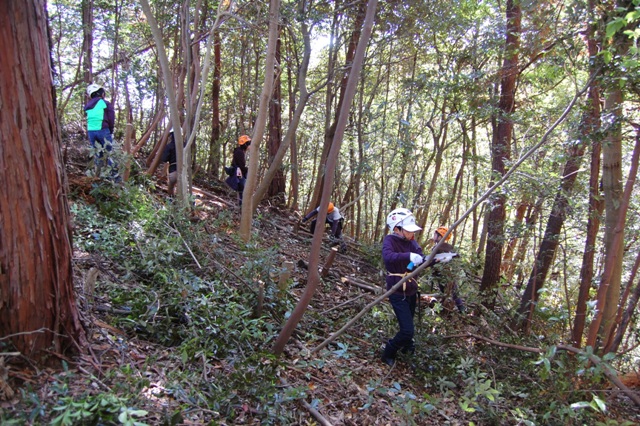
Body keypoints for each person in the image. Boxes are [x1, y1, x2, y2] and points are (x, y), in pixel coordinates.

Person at [381, 208, 424, 367]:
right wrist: (408, 256)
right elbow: (388, 258)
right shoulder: (390, 241)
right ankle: (388, 352)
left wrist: (432, 259)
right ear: (397, 228)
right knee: (407, 330)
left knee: (408, 323)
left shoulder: (412, 242)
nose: (412, 234)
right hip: (397, 290)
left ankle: (407, 346)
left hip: (411, 289)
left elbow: (415, 262)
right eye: (407, 230)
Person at [84, 83, 118, 180]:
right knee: (110, 153)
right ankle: (115, 179)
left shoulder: (87, 106)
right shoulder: (105, 103)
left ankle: (97, 177)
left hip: (91, 132)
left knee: (98, 154)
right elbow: (111, 118)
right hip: (103, 130)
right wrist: (110, 131)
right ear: (100, 93)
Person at [429, 226, 465, 313]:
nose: (433, 236)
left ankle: (460, 310)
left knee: (450, 292)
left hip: (442, 274)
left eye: (435, 234)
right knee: (453, 292)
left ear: (440, 237)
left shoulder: (437, 248)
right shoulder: (449, 247)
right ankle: (457, 309)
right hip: (448, 274)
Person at [227, 134, 251, 206]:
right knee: (242, 189)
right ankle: (241, 205)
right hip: (239, 173)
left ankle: (241, 205)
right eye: (248, 143)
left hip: (239, 172)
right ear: (245, 144)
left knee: (241, 189)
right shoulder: (239, 152)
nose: (250, 145)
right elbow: (240, 166)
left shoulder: (240, 151)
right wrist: (247, 170)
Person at [160, 130, 177, 196]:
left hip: (173, 171)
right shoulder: (184, 145)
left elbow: (164, 159)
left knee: (171, 188)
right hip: (184, 172)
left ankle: (171, 201)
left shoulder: (169, 146)